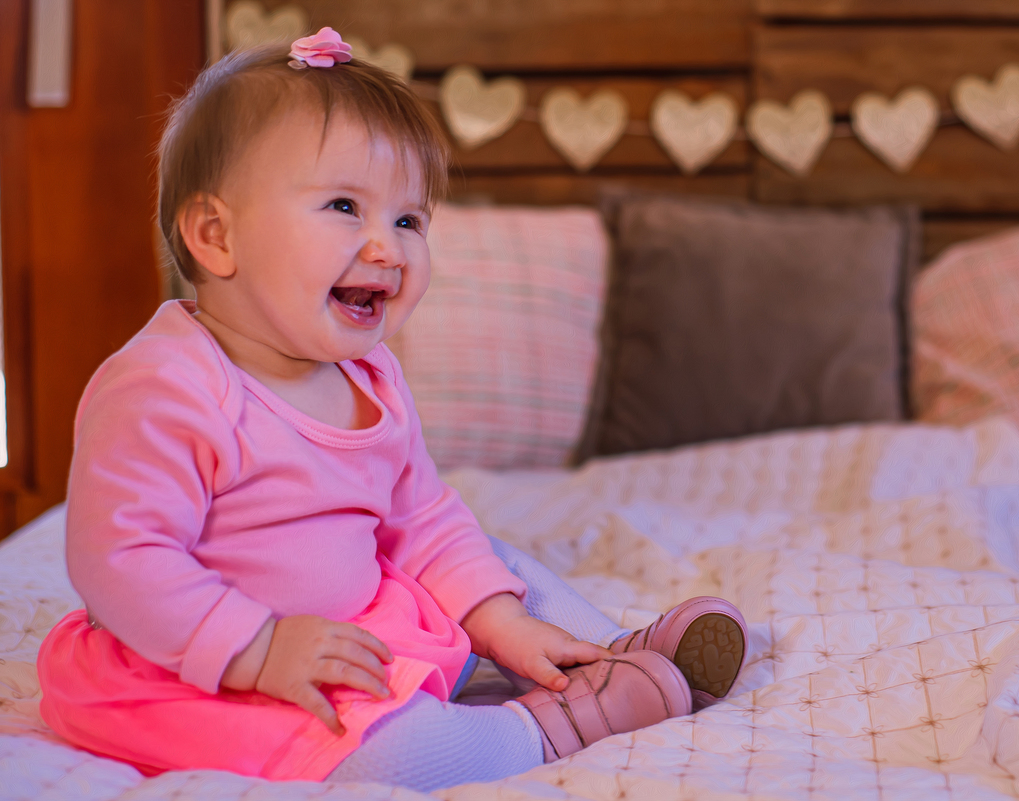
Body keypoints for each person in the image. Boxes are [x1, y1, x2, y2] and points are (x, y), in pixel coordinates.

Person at [35, 28, 747, 792]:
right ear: (216, 236)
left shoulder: (369, 376)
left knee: (492, 560)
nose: (390, 246)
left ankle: (595, 649)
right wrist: (260, 646)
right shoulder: (163, 385)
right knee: (385, 752)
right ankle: (544, 725)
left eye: (410, 219)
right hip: (201, 666)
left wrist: (502, 623)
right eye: (345, 206)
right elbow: (122, 560)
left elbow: (421, 518)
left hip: (355, 619)